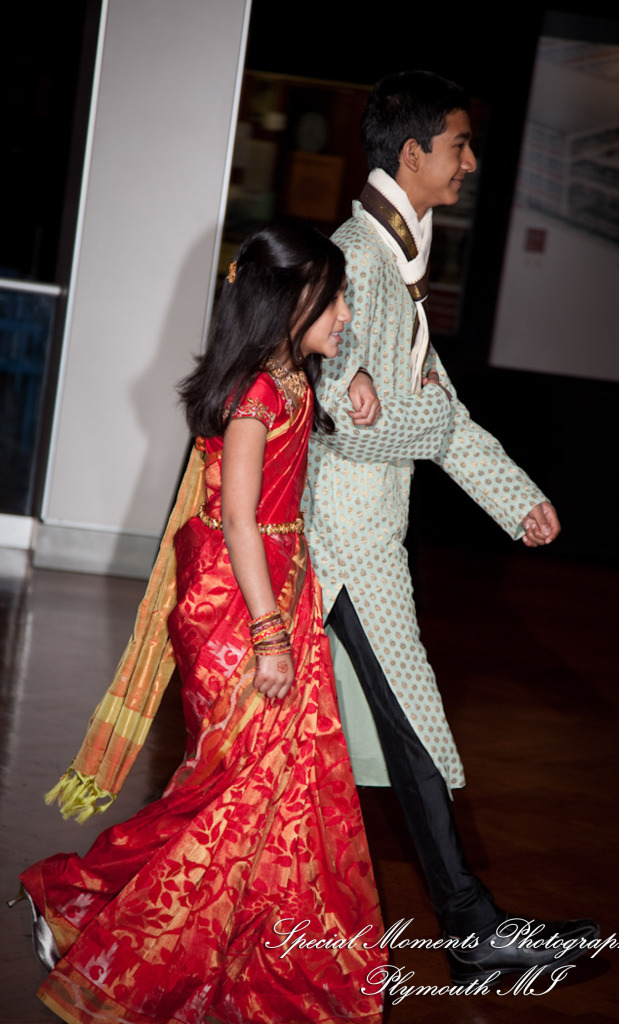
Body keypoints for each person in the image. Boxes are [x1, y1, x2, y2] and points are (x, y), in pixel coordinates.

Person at [14, 221, 385, 1024]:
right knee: (228, 790)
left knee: (257, 791)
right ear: (290, 301)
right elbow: (242, 522)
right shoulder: (255, 395)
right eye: (336, 300)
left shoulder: (290, 375)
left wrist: (353, 379)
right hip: (239, 605)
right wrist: (268, 635)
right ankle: (97, 921)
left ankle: (224, 942)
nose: (346, 314)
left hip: (274, 589)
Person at [303, 70, 599, 981]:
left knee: (318, 747)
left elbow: (440, 410)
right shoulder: (358, 259)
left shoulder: (398, 259)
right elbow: (346, 417)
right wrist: (422, 415)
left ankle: (433, 930)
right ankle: (471, 933)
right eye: (459, 146)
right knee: (411, 731)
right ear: (412, 155)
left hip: (369, 534)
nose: (470, 162)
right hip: (348, 539)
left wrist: (516, 498)